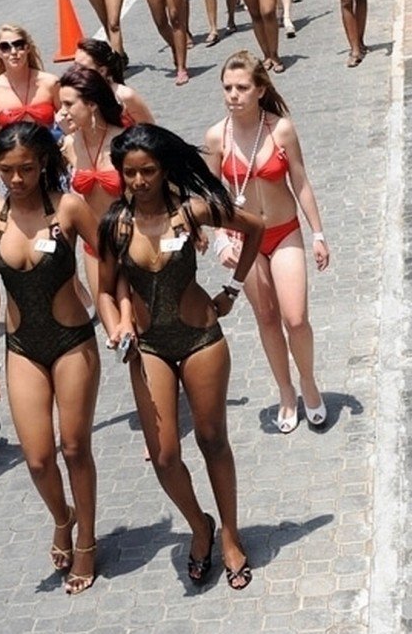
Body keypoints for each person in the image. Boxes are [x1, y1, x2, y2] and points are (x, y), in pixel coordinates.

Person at [97, 124, 263, 587]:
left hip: (200, 339)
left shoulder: (191, 212)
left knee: (212, 440)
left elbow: (255, 228)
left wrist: (232, 290)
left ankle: (230, 534)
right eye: (129, 173)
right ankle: (199, 525)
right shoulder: (115, 223)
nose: (139, 181)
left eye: (148, 170)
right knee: (165, 456)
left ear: (164, 168)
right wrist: (117, 324)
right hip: (148, 348)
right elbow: (104, 292)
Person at [0, 122, 100, 593]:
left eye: (26, 168)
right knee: (40, 459)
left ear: (43, 162)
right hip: (22, 347)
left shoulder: (68, 208)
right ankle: (62, 517)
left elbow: (105, 255)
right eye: (7, 170)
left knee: (74, 448)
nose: (17, 179)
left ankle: (86, 540)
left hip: (73, 342)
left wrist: (116, 310)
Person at [204, 50, 329, 433]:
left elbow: (301, 182)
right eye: (227, 88)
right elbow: (212, 196)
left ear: (260, 89)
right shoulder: (216, 136)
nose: (233, 95)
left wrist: (318, 233)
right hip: (246, 240)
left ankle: (308, 382)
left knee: (296, 318)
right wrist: (221, 238)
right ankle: (286, 392)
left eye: (242, 87)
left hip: (284, 230)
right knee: (268, 318)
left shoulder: (280, 129)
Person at [58, 65, 125, 305]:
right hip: (93, 248)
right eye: (60, 104)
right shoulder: (68, 145)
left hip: (130, 243)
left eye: (68, 104)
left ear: (92, 103)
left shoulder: (123, 141)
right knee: (112, 325)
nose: (61, 112)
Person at [0, 24, 60, 196]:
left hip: (51, 164)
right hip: (15, 172)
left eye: (19, 44)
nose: (13, 51)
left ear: (28, 48)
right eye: (5, 47)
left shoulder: (50, 83)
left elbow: (70, 123)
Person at [74, 38, 155, 126]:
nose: (74, 72)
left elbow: (150, 131)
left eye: (82, 68)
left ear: (102, 71)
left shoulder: (125, 96)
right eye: (74, 66)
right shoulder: (74, 94)